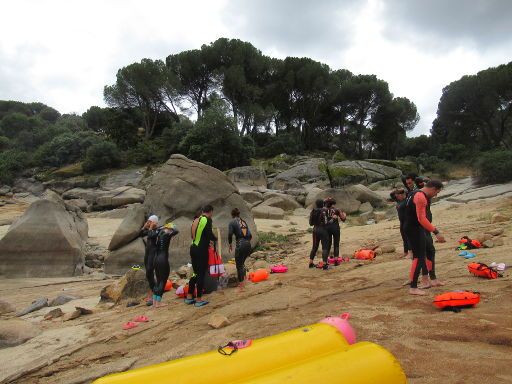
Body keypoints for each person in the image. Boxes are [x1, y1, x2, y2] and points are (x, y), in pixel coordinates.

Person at [404, 180, 446, 296]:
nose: (436, 195)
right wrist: (436, 232)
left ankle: (433, 280)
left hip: (418, 228)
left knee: (430, 251)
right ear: (433, 189)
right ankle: (413, 287)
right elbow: (421, 218)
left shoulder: (415, 193)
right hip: (414, 229)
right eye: (436, 192)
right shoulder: (420, 197)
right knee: (419, 257)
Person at [185, 205, 217, 307]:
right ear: (211, 211)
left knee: (195, 273)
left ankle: (189, 297)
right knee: (201, 274)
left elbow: (193, 236)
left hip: (193, 248)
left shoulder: (196, 219)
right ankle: (198, 300)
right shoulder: (207, 219)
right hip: (201, 251)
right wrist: (214, 239)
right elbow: (208, 234)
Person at [152, 222, 179, 308]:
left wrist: (163, 227)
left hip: (156, 260)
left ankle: (154, 303)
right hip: (163, 260)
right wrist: (168, 228)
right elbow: (176, 231)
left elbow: (158, 229)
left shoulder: (159, 234)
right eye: (170, 229)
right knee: (163, 282)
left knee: (158, 281)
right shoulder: (167, 235)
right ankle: (158, 303)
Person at [228, 208, 252, 286]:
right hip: (248, 244)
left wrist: (230, 243)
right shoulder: (243, 222)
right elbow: (250, 235)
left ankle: (241, 285)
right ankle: (245, 281)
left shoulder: (232, 222)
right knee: (242, 263)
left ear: (232, 215)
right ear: (239, 214)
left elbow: (230, 234)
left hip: (241, 244)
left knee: (239, 265)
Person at [140, 215, 159, 306]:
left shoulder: (158, 230)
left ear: (155, 222)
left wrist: (151, 227)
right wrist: (144, 226)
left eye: (150, 221)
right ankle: (153, 291)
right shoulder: (150, 230)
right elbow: (142, 234)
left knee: (150, 272)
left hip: (153, 254)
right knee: (148, 273)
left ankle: (153, 294)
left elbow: (151, 235)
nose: (149, 223)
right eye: (148, 221)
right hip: (147, 254)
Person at [323, 197, 347, 270]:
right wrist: (344, 215)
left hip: (327, 229)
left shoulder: (323, 210)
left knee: (328, 244)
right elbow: (343, 219)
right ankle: (336, 261)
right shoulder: (337, 210)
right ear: (333, 203)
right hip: (335, 228)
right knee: (336, 244)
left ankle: (326, 260)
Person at [390, 189, 411, 259]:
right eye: (396, 195)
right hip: (401, 222)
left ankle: (411, 252)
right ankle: (405, 252)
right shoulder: (399, 201)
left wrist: (404, 192)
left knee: (408, 237)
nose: (397, 196)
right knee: (404, 237)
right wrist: (396, 190)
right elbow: (391, 194)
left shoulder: (407, 201)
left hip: (407, 221)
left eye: (398, 195)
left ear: (402, 195)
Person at [308, 199, 328, 268]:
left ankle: (310, 263)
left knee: (314, 247)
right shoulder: (323, 212)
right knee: (325, 247)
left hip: (315, 230)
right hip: (322, 230)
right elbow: (325, 222)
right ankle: (325, 264)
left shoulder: (313, 211)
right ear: (322, 204)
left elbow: (310, 223)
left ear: (316, 204)